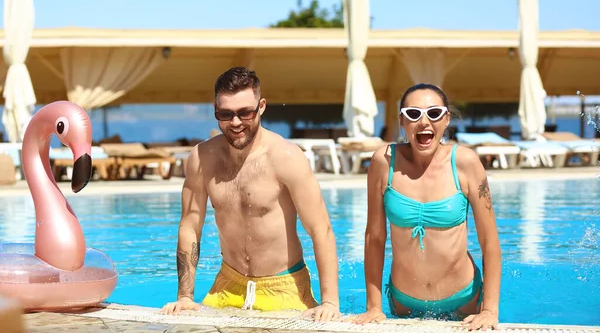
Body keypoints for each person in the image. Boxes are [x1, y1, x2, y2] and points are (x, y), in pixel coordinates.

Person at [161, 66, 341, 322]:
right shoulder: (202, 159)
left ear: (262, 106)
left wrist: (330, 302)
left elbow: (320, 230)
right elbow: (190, 226)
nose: (235, 123)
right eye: (225, 114)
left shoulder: (286, 157)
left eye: (245, 113)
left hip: (285, 287)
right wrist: (185, 296)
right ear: (215, 109)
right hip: (227, 286)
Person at [353, 83, 502, 331]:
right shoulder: (384, 162)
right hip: (404, 301)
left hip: (463, 299)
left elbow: (490, 241)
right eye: (413, 114)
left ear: (446, 119)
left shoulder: (466, 163)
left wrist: (489, 310)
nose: (424, 122)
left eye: (433, 113)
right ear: (402, 121)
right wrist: (373, 306)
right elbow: (374, 238)